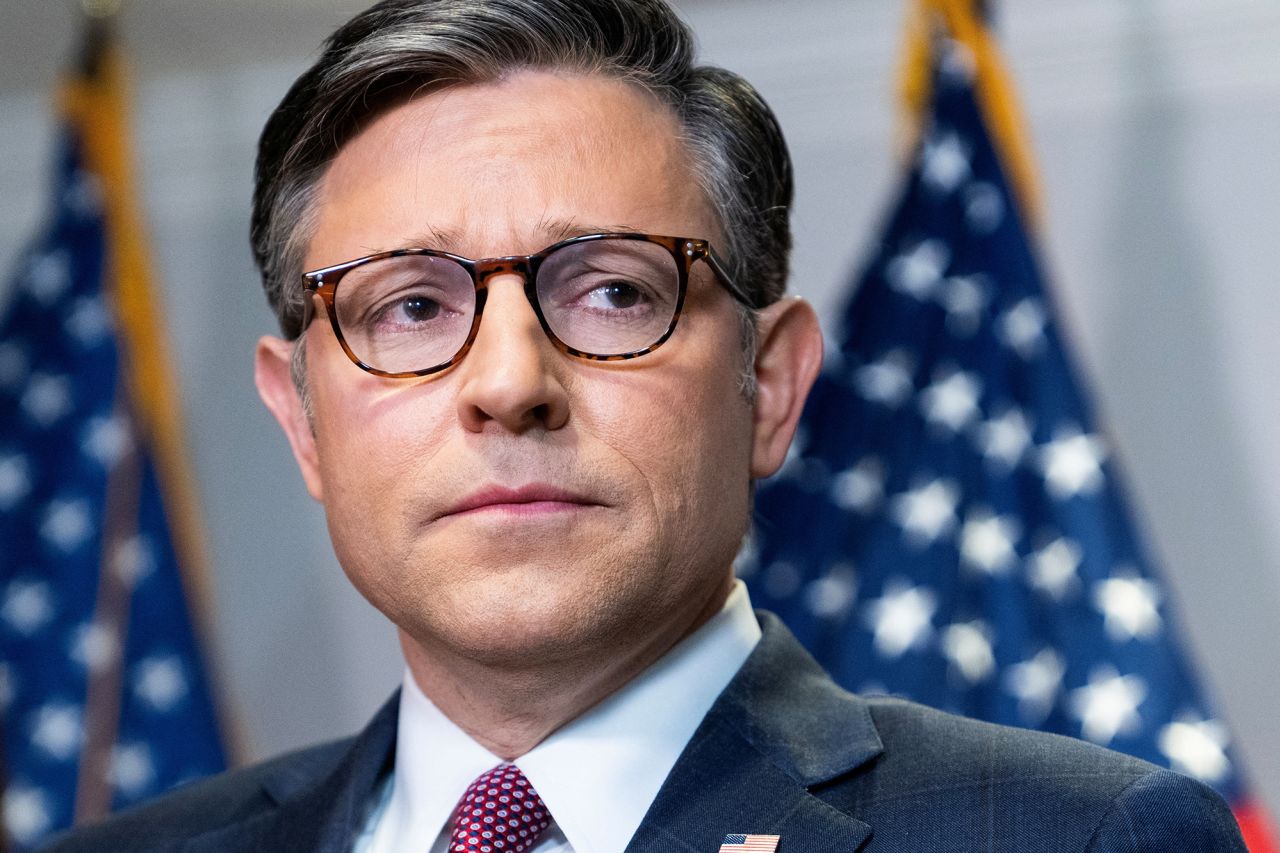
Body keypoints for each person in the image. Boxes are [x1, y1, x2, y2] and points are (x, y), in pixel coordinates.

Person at [46, 0, 1246, 850]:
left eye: (613, 289)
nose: (508, 381)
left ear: (767, 387)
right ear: (302, 421)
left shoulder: (1073, 837)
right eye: (409, 306)